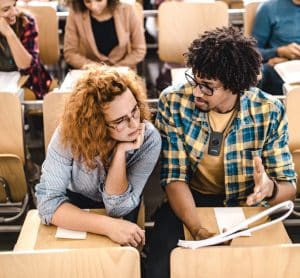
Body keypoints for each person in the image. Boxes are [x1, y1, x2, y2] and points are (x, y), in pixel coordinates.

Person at [145, 26, 297, 278]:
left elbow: (288, 186)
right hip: (190, 200)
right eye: (194, 80)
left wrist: (269, 188)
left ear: (235, 85)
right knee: (161, 269)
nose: (196, 91)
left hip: (247, 203)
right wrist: (198, 230)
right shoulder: (173, 102)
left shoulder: (268, 111)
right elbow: (174, 178)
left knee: (273, 268)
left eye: (207, 87)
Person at [35, 65, 161, 247]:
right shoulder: (70, 133)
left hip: (122, 207)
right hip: (74, 206)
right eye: (119, 121)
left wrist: (120, 153)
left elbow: (117, 208)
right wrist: (108, 226)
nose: (134, 124)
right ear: (96, 123)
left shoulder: (148, 138)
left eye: (134, 110)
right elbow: (48, 204)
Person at [64, 0, 146, 70]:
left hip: (124, 71)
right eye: (87, 1)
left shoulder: (127, 10)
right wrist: (95, 68)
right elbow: (70, 53)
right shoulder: (75, 13)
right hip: (91, 73)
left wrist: (117, 68)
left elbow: (139, 49)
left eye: (99, 0)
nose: (94, 6)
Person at [0, 0, 52, 99]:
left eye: (14, 5)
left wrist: (9, 34)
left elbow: (26, 66)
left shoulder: (26, 22)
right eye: (6, 9)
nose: (14, 12)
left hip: (29, 84)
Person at [252, 0, 300, 95]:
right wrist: (278, 52)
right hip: (280, 69)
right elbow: (252, 52)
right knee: (261, 72)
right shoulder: (269, 8)